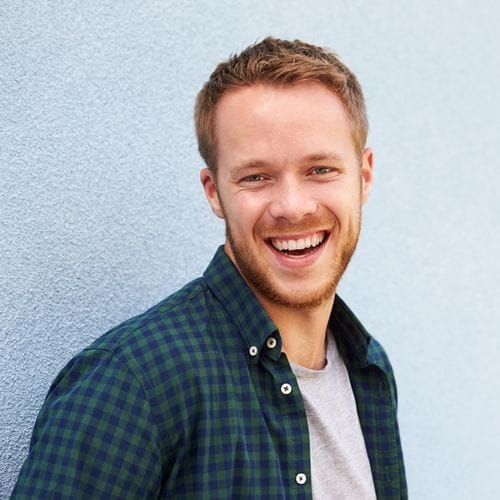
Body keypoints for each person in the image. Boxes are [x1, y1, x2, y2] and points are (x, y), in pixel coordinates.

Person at [13, 37, 407, 499]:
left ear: (364, 177)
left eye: (320, 169)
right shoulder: (132, 383)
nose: (293, 207)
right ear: (214, 191)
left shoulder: (369, 370)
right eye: (256, 177)